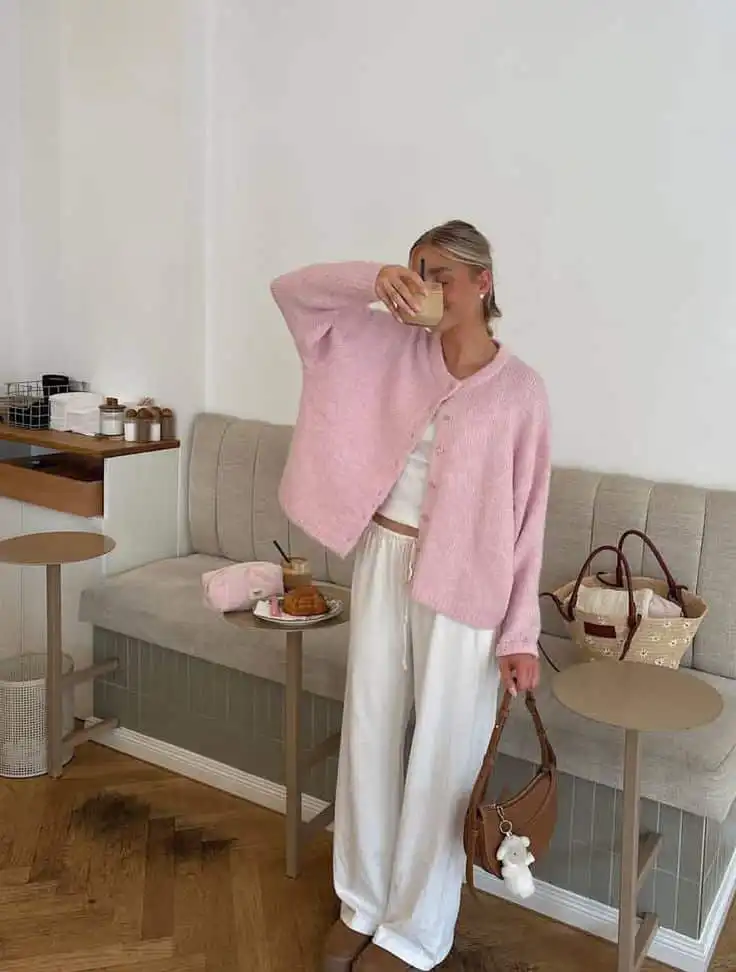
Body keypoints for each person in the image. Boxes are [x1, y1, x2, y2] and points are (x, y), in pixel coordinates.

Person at [270, 220, 551, 972]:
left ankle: (416, 931)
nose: (426, 289)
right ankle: (361, 901)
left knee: (443, 759)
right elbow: (292, 297)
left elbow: (530, 516)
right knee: (367, 731)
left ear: (483, 284)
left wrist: (520, 633)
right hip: (384, 557)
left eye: (443, 276)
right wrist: (374, 278)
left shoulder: (520, 392)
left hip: (468, 584)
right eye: (418, 272)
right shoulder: (390, 347)